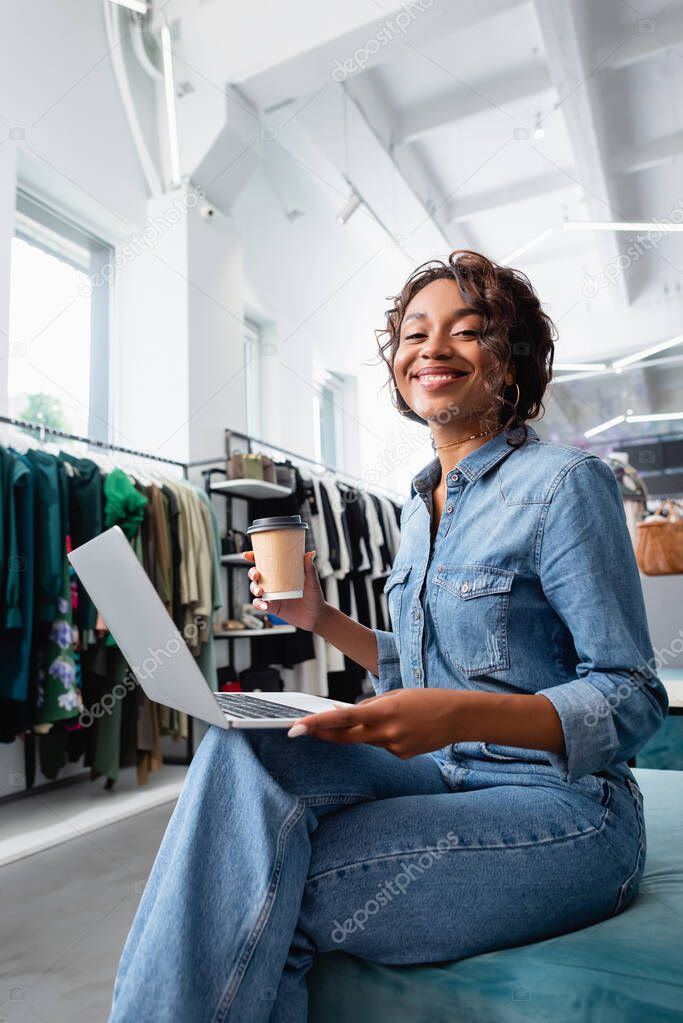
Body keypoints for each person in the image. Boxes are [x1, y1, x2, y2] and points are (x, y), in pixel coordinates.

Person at [108, 250, 668, 1023]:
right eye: (412, 333)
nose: (430, 348)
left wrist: (457, 714)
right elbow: (423, 660)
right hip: (440, 780)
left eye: (466, 331)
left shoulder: (563, 484)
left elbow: (632, 694)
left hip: (564, 806)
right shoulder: (416, 507)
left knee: (260, 888)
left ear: (512, 362)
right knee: (243, 745)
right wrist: (318, 618)